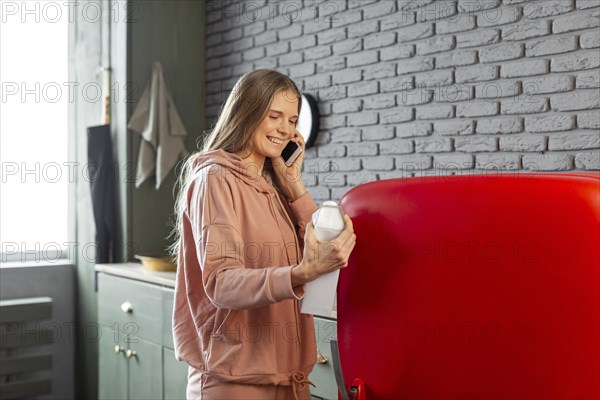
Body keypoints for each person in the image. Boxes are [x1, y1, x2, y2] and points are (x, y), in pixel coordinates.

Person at [169, 69, 357, 400]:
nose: (285, 129)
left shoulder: (272, 185)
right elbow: (221, 282)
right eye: (275, 116)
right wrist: (301, 274)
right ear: (247, 112)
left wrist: (293, 183)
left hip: (286, 379)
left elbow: (318, 252)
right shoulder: (215, 180)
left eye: (292, 120)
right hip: (234, 383)